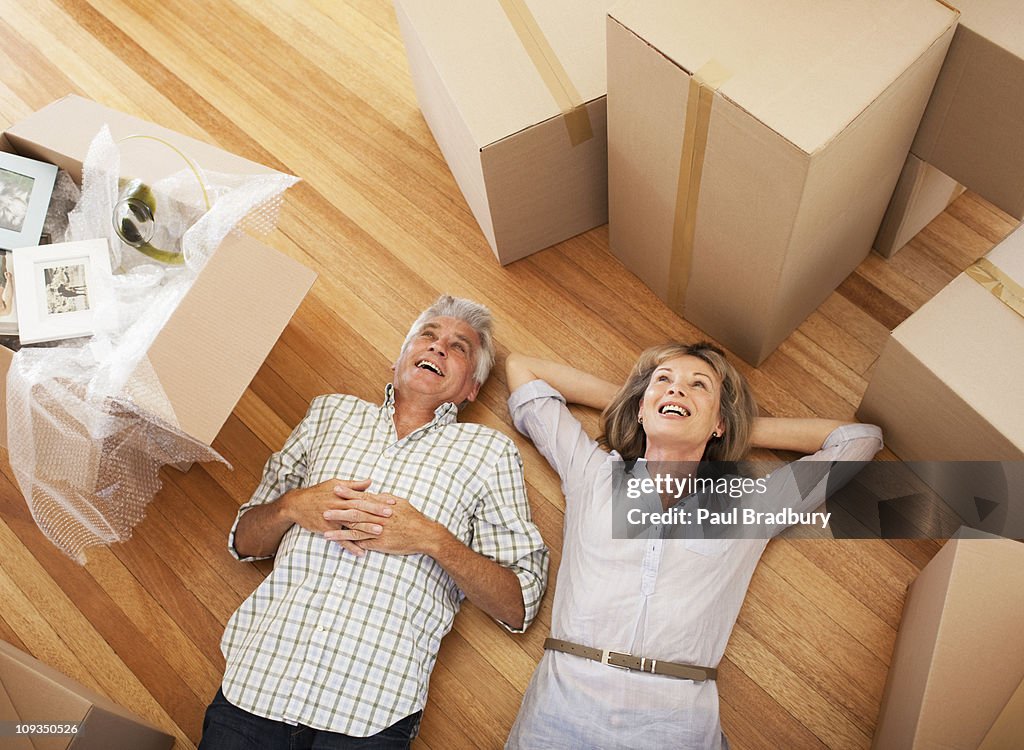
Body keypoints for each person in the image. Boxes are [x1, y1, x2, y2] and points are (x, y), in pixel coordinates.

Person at [200, 295, 548, 749]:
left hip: (369, 714)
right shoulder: (329, 413)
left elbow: (519, 605)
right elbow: (244, 542)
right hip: (255, 687)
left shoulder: (489, 453)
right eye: (427, 336)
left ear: (471, 391)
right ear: (399, 359)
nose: (438, 347)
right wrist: (291, 505)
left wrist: (433, 540)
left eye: (458, 347)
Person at [504, 342, 883, 749]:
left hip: (675, 719)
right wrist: (652, 405)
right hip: (562, 705)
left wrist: (723, 425)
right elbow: (523, 370)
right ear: (640, 407)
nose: (677, 389)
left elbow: (860, 440)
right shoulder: (593, 472)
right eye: (663, 381)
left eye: (698, 385)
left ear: (720, 422)